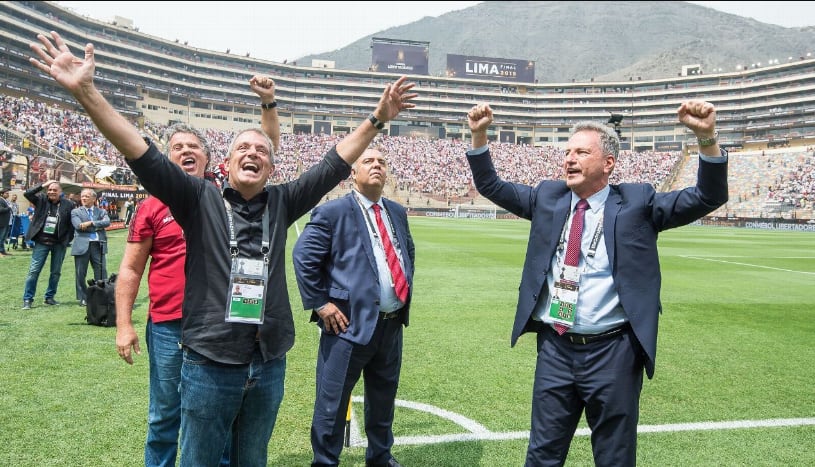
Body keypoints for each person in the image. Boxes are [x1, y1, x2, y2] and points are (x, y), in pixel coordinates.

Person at [30, 30, 416, 467]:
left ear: (271, 167)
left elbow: (334, 163)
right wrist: (87, 93)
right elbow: (140, 152)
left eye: (261, 151)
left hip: (268, 360)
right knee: (199, 459)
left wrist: (378, 118)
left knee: (251, 459)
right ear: (227, 165)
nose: (252, 153)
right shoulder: (197, 199)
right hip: (210, 361)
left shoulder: (282, 201)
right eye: (242, 149)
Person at [464, 100, 728, 466]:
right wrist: (479, 135)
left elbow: (707, 196)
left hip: (613, 352)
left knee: (614, 456)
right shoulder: (548, 196)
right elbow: (490, 184)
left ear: (608, 164)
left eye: (581, 152)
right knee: (542, 453)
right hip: (556, 348)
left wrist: (706, 138)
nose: (569, 159)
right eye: (568, 152)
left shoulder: (637, 202)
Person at [115, 75, 282, 467]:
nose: (186, 151)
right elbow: (130, 270)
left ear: (211, 160)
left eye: (194, 147)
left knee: (219, 418)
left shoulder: (226, 197)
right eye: (177, 148)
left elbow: (268, 151)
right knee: (165, 414)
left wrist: (268, 104)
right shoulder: (155, 205)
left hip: (220, 329)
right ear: (166, 160)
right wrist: (124, 323)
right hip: (170, 323)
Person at [293, 146, 415, 467]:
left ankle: (379, 457)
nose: (376, 166)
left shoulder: (396, 212)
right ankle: (324, 461)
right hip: (347, 327)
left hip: (390, 325)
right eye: (368, 161)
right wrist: (320, 303)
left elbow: (406, 255)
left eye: (381, 162)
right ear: (353, 172)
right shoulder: (333, 212)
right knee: (331, 404)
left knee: (383, 400)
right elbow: (304, 257)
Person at [21, 179, 75, 309]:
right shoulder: (41, 200)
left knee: (56, 272)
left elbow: (70, 225)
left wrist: (67, 240)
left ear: (60, 192)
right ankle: (28, 299)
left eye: (55, 190)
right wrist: (44, 184)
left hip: (59, 243)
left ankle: (50, 297)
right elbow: (27, 193)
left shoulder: (69, 204)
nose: (51, 192)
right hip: (41, 242)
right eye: (49, 189)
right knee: (34, 271)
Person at [71, 188, 110, 307]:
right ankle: (83, 297)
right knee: (80, 273)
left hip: (98, 244)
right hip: (82, 245)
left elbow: (107, 222)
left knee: (101, 272)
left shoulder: (101, 211)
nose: (84, 198)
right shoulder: (75, 212)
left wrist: (90, 223)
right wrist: (98, 225)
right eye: (82, 196)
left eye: (87, 196)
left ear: (94, 198)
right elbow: (78, 226)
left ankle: (101, 295)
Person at [0, 189, 10, 256]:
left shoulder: (5, 201)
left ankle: (3, 251)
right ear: (1, 194)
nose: (8, 194)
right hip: (2, 222)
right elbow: (0, 210)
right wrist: (9, 208)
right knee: (1, 237)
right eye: (6, 193)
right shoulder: (0, 200)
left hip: (6, 222)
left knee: (3, 238)